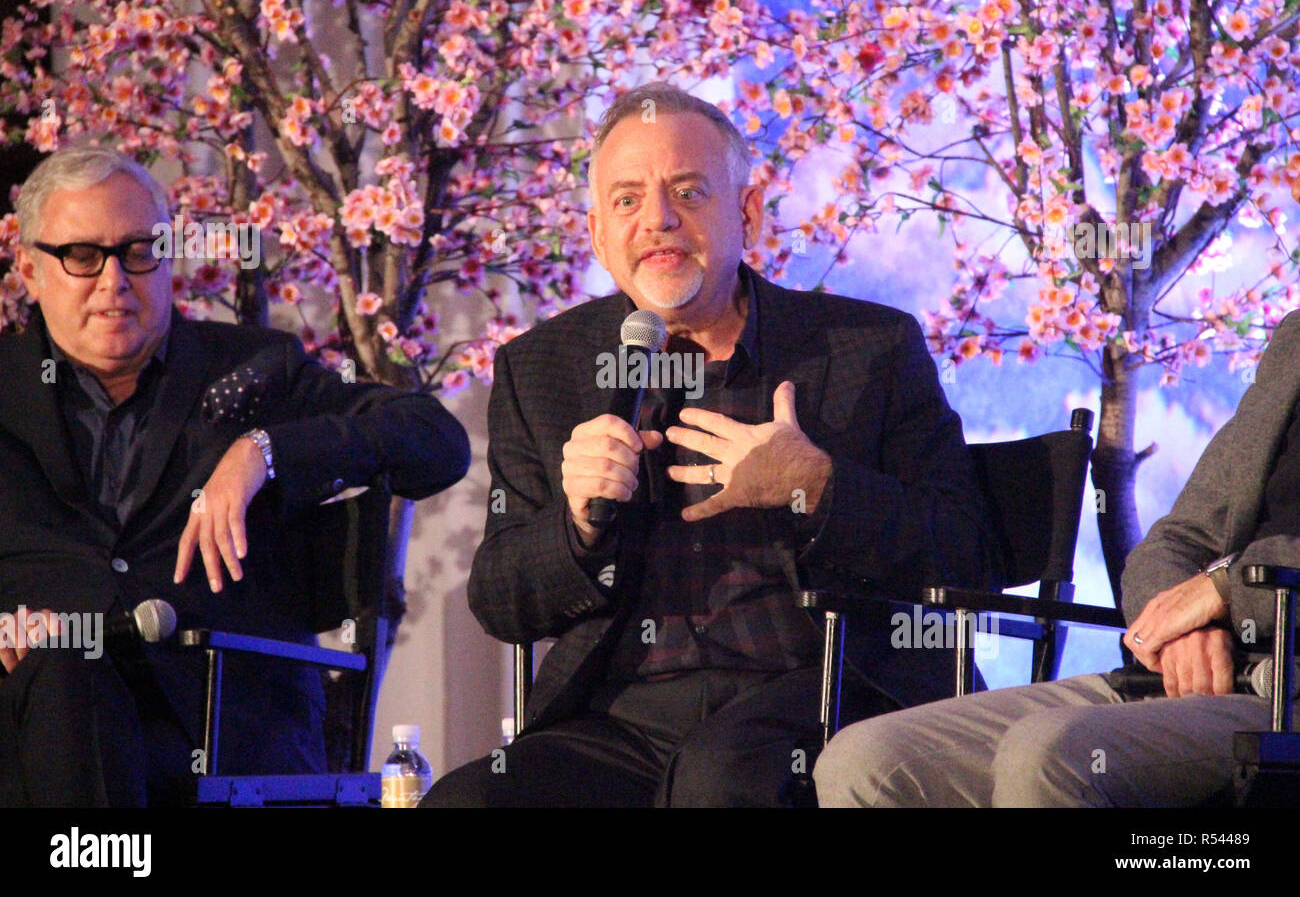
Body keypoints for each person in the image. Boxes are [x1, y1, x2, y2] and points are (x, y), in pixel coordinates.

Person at [422, 82, 995, 807]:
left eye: (689, 192)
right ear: (599, 234)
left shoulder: (868, 348)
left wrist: (817, 487)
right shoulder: (544, 366)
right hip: (619, 720)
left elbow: (965, 551)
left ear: (746, 211)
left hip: (821, 689)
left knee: (720, 779)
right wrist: (576, 528)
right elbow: (501, 601)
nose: (657, 219)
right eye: (627, 200)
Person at [0, 147, 471, 806]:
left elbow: (437, 441)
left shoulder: (252, 373)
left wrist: (265, 451)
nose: (114, 281)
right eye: (82, 256)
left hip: (226, 737)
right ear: (30, 268)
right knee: (65, 669)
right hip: (40, 738)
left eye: (139, 251)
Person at [812, 317, 1300, 808]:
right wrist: (1178, 628)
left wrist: (1224, 590)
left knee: (1045, 754)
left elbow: (1226, 582)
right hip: (1187, 679)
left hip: (1284, 697)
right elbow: (1178, 538)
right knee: (863, 761)